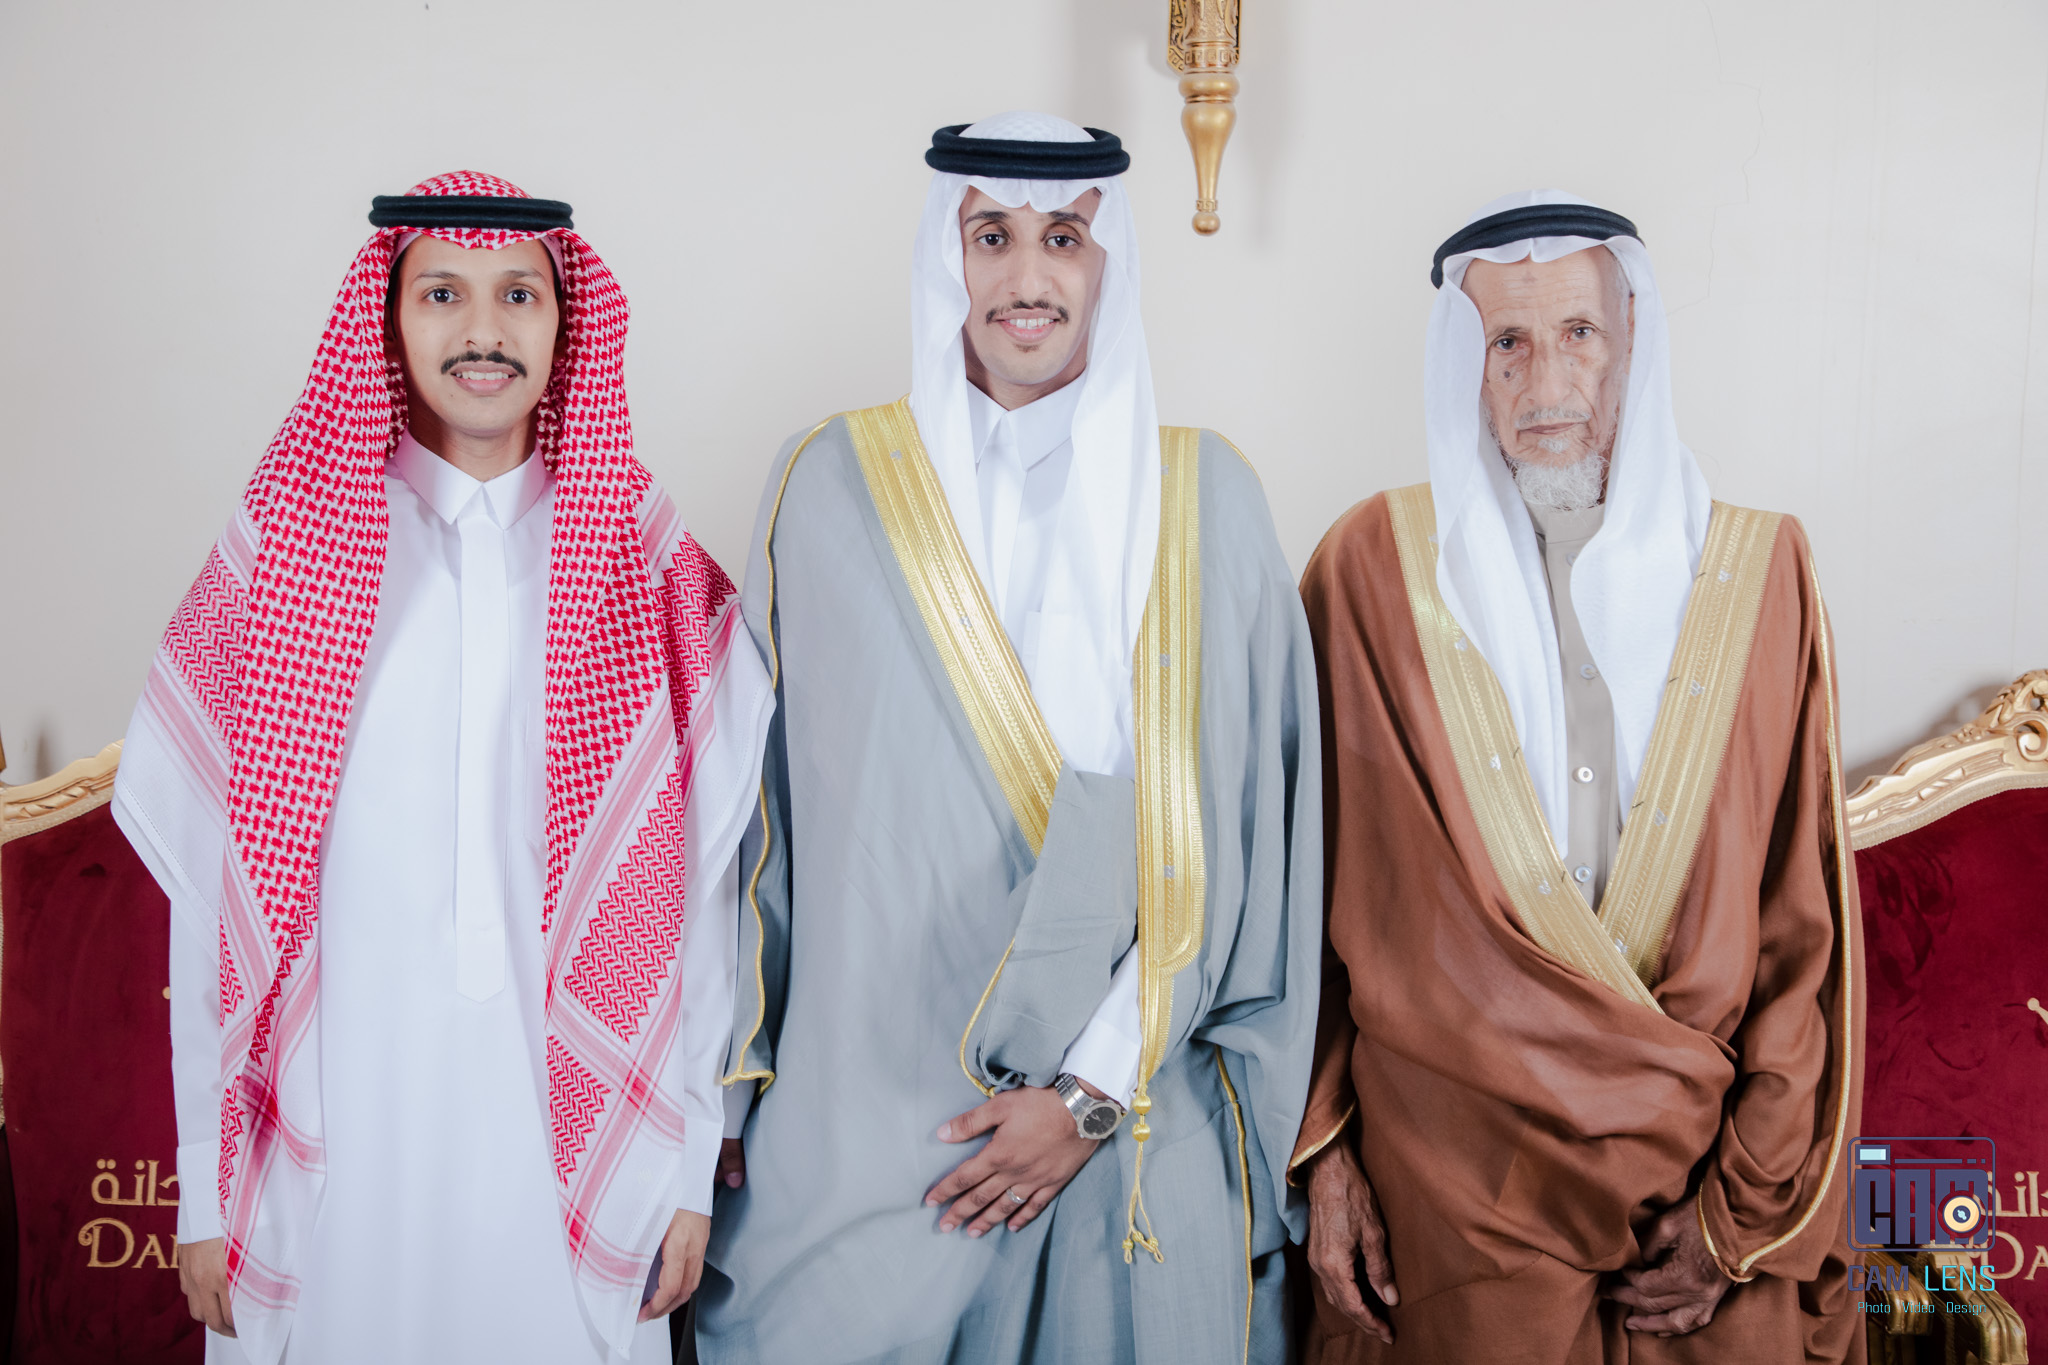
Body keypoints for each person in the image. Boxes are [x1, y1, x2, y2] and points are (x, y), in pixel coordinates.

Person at [112, 172, 772, 1364]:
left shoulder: (647, 564)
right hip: (338, 1134)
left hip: (575, 1143)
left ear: (564, 323)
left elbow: (702, 901)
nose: (483, 330)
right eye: (442, 294)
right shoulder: (286, 546)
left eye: (519, 294)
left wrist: (683, 1165)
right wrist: (206, 1186)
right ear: (387, 317)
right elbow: (211, 904)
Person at [694, 113, 1321, 1364]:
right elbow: (761, 829)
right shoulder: (827, 482)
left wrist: (1085, 1097)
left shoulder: (1206, 497)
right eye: (991, 237)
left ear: (1108, 261)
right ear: (948, 255)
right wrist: (719, 1096)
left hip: (1131, 1116)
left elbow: (1244, 839)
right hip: (873, 1127)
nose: (1026, 277)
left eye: (1063, 239)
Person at [1291, 191, 1866, 1363]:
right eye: (1505, 341)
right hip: (1448, 1192)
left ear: (1632, 339)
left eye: (1576, 334)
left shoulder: (1760, 573)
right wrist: (1327, 1153)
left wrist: (1743, 1210)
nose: (1542, 381)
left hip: (1705, 1176)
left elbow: (1797, 925)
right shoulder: (1367, 575)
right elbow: (1305, 914)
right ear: (1463, 364)